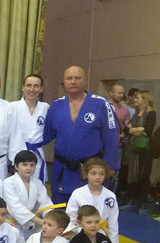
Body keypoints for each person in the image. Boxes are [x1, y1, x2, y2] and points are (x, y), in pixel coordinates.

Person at [41, 66, 119, 204]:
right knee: (60, 210)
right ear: (64, 81)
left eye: (77, 78)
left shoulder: (100, 104)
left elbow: (111, 136)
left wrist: (110, 164)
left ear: (85, 80)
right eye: (69, 78)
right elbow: (44, 135)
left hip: (89, 169)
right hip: (62, 168)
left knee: (88, 210)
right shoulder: (56, 106)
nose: (73, 81)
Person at [66, 158, 120, 243]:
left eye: (101, 174)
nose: (97, 177)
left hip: (100, 236)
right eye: (93, 173)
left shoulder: (110, 196)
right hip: (80, 235)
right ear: (86, 174)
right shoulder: (78, 193)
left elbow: (113, 223)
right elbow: (71, 219)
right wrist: (71, 237)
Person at [2, 150, 53, 240]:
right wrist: (41, 222)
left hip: (32, 225)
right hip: (13, 224)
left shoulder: (37, 183)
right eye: (24, 165)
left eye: (32, 165)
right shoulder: (8, 183)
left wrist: (51, 219)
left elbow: (45, 203)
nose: (29, 168)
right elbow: (15, 208)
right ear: (16, 166)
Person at [10, 74, 50, 182]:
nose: (32, 90)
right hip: (16, 152)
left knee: (36, 186)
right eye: (28, 85)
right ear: (23, 87)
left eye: (36, 86)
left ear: (41, 89)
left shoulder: (45, 108)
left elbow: (51, 131)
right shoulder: (12, 107)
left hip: (36, 154)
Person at [123, 90, 157, 213]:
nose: (135, 100)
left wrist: (133, 130)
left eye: (138, 98)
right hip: (132, 148)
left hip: (144, 149)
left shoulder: (151, 113)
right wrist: (137, 129)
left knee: (143, 174)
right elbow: (126, 130)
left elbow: (146, 131)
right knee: (131, 174)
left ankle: (142, 202)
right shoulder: (136, 113)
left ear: (145, 99)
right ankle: (131, 200)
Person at [108, 83, 130, 198]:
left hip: (118, 146)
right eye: (119, 93)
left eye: (123, 93)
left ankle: (111, 197)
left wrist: (121, 135)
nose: (122, 95)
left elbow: (128, 126)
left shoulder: (125, 110)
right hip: (103, 146)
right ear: (111, 93)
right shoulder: (102, 107)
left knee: (115, 173)